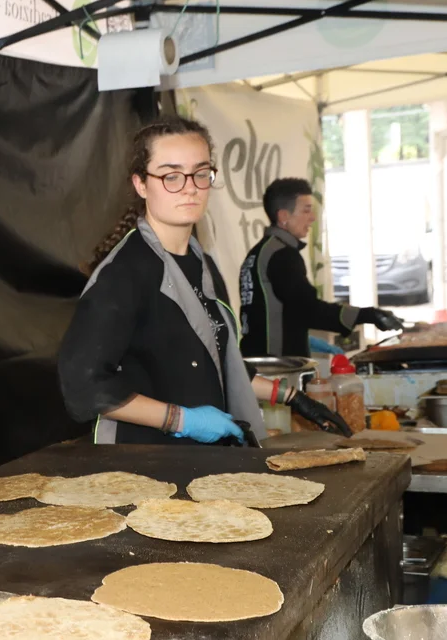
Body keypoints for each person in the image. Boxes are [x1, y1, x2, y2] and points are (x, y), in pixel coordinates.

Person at [57, 119, 351, 444]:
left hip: (202, 460)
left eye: (200, 173)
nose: (190, 188)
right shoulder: (124, 273)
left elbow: (221, 362)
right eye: (171, 176)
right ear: (141, 184)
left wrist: (291, 397)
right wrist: (181, 419)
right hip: (144, 461)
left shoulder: (203, 265)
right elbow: (83, 388)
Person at [239, 178, 403, 359]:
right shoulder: (281, 255)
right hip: (278, 366)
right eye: (306, 210)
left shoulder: (260, 252)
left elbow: (280, 312)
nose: (312, 218)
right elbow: (309, 310)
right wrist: (367, 315)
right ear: (284, 216)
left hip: (259, 360)